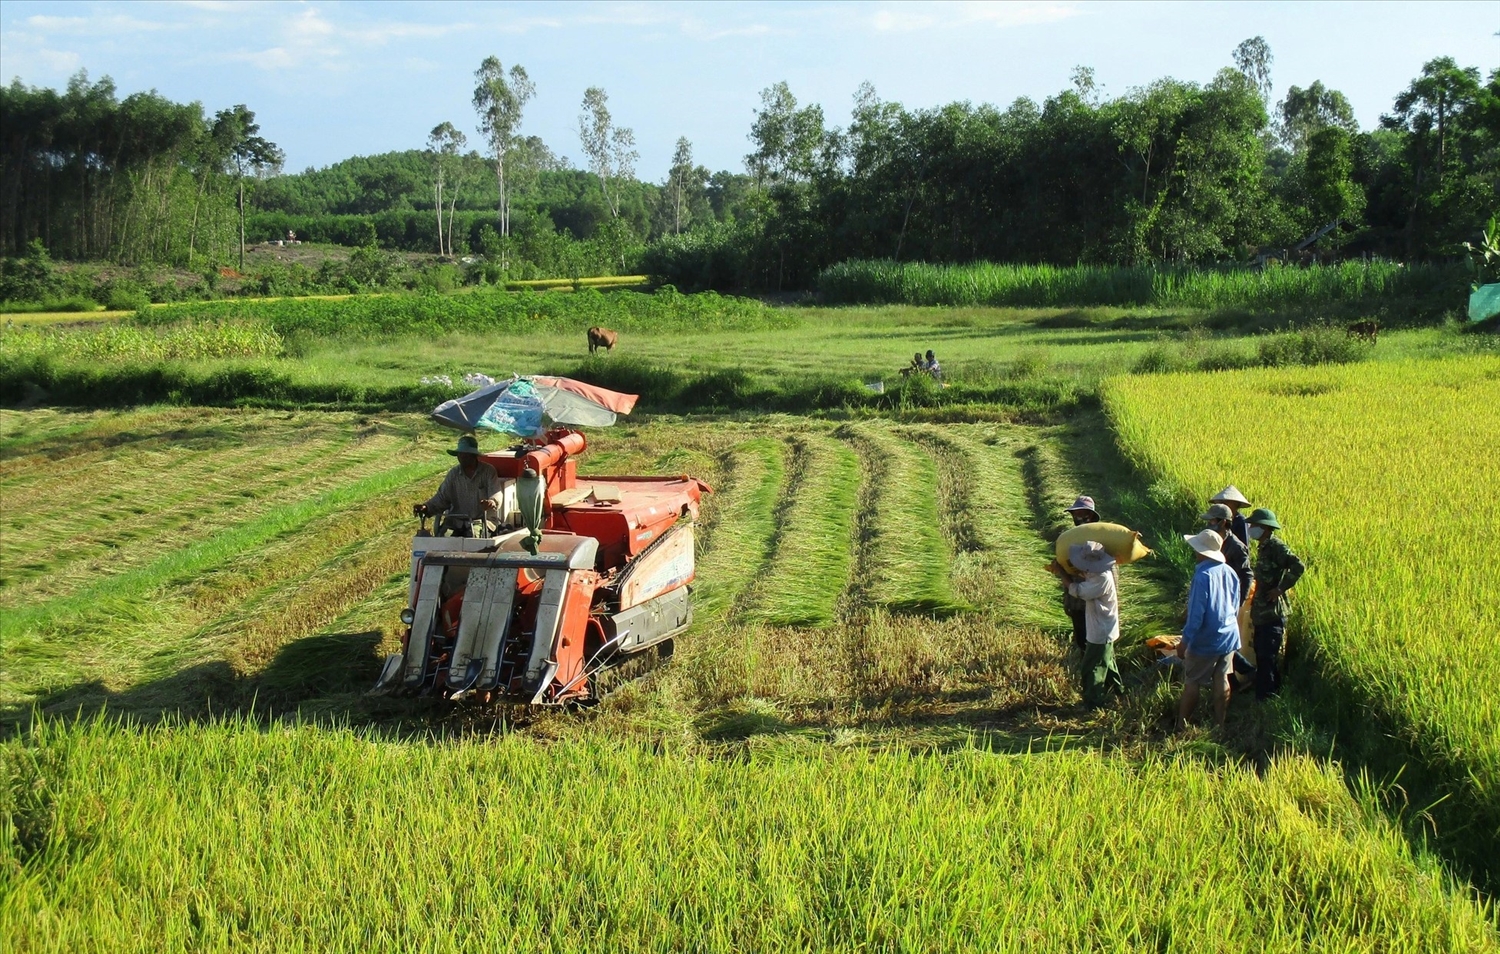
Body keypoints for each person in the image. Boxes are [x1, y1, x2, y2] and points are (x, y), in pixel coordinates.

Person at [1177, 528, 1241, 731]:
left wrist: (1185, 641)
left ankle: (1181, 725)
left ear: (1202, 552)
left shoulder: (1202, 576)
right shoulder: (1230, 572)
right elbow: (1235, 604)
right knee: (1222, 677)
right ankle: (1220, 724)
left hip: (1207, 638)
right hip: (1229, 636)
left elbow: (1196, 615)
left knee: (1193, 680)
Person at [1246, 507, 1305, 700]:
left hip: (1273, 612)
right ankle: (1270, 692)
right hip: (1261, 611)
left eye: (1254, 524)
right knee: (1262, 654)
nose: (1251, 527)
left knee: (1267, 656)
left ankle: (1266, 698)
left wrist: (1280, 589)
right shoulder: (1263, 547)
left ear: (1264, 527)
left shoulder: (1276, 547)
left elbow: (1298, 565)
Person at [1066, 540, 1123, 708]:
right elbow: (1087, 577)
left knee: (1092, 667)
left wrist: (1062, 574)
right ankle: (1119, 692)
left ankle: (1093, 703)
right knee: (1108, 663)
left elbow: (1078, 591)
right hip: (1102, 629)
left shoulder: (1102, 579)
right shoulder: (1098, 574)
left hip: (1101, 631)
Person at [413, 434, 502, 534]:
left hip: (481, 521)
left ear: (474, 456)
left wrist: (491, 502)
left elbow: (496, 492)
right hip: (455, 523)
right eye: (460, 454)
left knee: (472, 539)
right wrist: (426, 507)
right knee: (442, 539)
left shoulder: (488, 471)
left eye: (465, 455)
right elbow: (442, 498)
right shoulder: (453, 474)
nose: (461, 457)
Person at [1060, 496, 1101, 653]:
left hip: (1090, 600)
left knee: (1089, 642)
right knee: (1081, 638)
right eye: (1074, 514)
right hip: (1077, 600)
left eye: (1078, 514)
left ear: (1089, 515)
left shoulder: (1097, 539)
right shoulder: (1074, 537)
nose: (1075, 518)